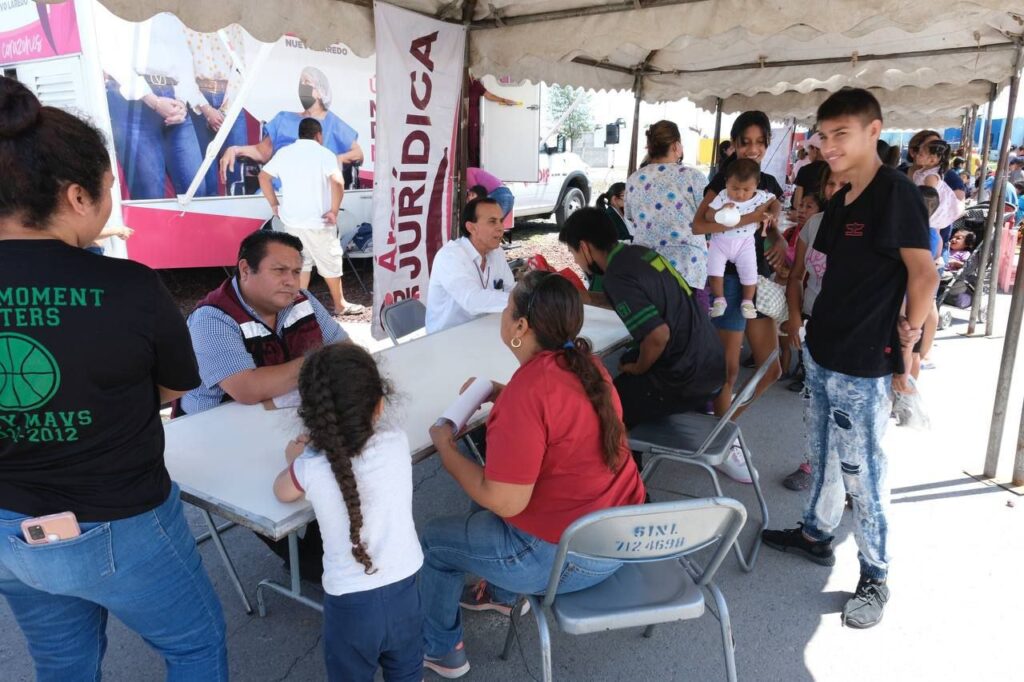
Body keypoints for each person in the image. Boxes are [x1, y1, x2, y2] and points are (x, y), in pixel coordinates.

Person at [0, 77, 227, 679]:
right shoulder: (128, 287)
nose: (108, 202)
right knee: (195, 646)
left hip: (4, 524)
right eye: (107, 189)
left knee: (61, 666)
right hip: (121, 520)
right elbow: (174, 390)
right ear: (77, 197)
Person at [762, 88, 938, 630]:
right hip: (824, 348)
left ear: (873, 131)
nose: (830, 144)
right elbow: (829, 271)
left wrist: (912, 340)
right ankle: (815, 534)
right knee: (820, 449)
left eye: (842, 133)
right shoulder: (841, 200)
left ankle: (875, 574)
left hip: (866, 360)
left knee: (864, 471)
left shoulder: (896, 193)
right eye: (824, 134)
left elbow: (923, 273)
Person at [420, 271, 647, 678]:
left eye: (508, 309)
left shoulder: (530, 391)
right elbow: (560, 417)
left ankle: (441, 649)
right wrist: (500, 392)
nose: (504, 315)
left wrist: (445, 448)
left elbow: (503, 500)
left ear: (521, 327)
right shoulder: (587, 365)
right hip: (616, 539)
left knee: (435, 540)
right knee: (494, 483)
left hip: (563, 561)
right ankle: (503, 595)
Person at [180, 229, 350, 579]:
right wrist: (316, 362)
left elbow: (346, 351)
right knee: (288, 478)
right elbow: (246, 388)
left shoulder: (302, 301)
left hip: (285, 419)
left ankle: (327, 543)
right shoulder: (212, 318)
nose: (292, 281)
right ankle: (310, 563)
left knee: (337, 457)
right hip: (217, 433)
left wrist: (310, 367)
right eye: (279, 271)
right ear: (245, 269)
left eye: (296, 271)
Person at [273, 344, 423, 682]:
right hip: (405, 590)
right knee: (408, 672)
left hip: (351, 605)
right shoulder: (396, 441)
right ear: (380, 405)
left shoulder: (311, 466)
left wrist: (296, 456)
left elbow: (282, 491)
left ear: (310, 415)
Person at [558, 208, 725, 465]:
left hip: (687, 378)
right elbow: (634, 301)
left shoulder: (616, 275)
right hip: (710, 362)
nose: (577, 261)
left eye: (573, 253)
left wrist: (639, 368)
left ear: (585, 247)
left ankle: (630, 487)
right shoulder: (637, 254)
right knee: (625, 366)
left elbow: (658, 335)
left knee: (606, 401)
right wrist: (586, 297)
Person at [692, 111, 785, 442]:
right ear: (733, 144)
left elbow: (771, 229)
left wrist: (780, 241)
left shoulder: (769, 184)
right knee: (729, 370)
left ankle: (724, 424)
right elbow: (698, 224)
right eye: (745, 142)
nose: (753, 149)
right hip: (728, 279)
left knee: (772, 368)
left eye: (760, 142)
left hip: (756, 279)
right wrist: (745, 217)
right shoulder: (723, 181)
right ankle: (722, 436)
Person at [780, 168, 846, 491]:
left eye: (843, 183)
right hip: (813, 322)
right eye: (831, 183)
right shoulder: (814, 226)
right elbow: (795, 277)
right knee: (815, 402)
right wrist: (795, 317)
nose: (835, 189)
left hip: (851, 332)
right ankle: (812, 464)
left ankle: (850, 480)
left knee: (845, 410)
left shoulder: (871, 229)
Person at [259, 117, 364, 317]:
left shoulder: (284, 153)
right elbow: (338, 182)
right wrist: (334, 210)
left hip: (291, 222)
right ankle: (339, 305)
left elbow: (263, 177)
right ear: (318, 135)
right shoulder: (324, 154)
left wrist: (274, 203)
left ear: (300, 134)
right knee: (330, 262)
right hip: (319, 222)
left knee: (301, 262)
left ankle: (298, 307)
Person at [98, 10, 208, 200]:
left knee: (196, 190)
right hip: (132, 102)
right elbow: (110, 55)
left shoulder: (169, 10)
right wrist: (153, 101)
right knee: (150, 195)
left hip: (173, 96)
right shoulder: (113, 7)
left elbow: (183, 56)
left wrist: (181, 101)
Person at [220, 66, 363, 187]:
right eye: (301, 82)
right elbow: (261, 152)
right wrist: (235, 149)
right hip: (278, 191)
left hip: (314, 193)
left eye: (307, 82)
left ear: (320, 91)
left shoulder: (333, 123)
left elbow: (358, 154)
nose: (302, 87)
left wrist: (338, 159)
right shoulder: (284, 119)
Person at [624, 120, 711, 309]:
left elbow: (630, 217)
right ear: (675, 146)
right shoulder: (694, 176)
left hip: (648, 268)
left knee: (657, 330)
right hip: (689, 269)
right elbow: (708, 216)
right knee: (693, 329)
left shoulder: (634, 179)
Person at [184, 25, 259, 195]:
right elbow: (183, 71)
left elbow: (239, 67)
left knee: (237, 166)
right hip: (199, 101)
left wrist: (226, 110)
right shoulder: (187, 22)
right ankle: (208, 219)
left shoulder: (233, 25)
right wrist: (206, 109)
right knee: (204, 172)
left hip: (230, 99)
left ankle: (238, 218)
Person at [704, 158, 782, 319]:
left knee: (750, 273)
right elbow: (708, 215)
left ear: (756, 185)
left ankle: (747, 302)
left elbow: (775, 202)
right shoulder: (722, 196)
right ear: (726, 182)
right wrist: (721, 212)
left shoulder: (761, 196)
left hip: (745, 243)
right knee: (713, 271)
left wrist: (773, 214)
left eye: (746, 189)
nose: (740, 194)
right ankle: (719, 299)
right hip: (719, 242)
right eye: (735, 188)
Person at [425, 198, 515, 333]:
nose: (500, 228)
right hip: (445, 339)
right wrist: (523, 301)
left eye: (501, 221)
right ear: (472, 228)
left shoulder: (496, 253)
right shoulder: (450, 256)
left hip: (482, 332)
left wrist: (534, 294)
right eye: (492, 222)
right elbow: (472, 300)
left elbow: (511, 288)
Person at [466, 75, 518, 168]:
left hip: (472, 116)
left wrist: (504, 100)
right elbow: (488, 95)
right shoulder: (464, 83)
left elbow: (488, 95)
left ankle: (473, 168)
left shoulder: (476, 84)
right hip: (465, 115)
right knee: (468, 143)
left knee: (473, 143)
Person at [792, 133, 829, 208]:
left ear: (815, 150)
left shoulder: (805, 170)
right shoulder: (834, 171)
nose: (808, 153)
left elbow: (797, 203)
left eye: (809, 149)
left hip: (806, 216)